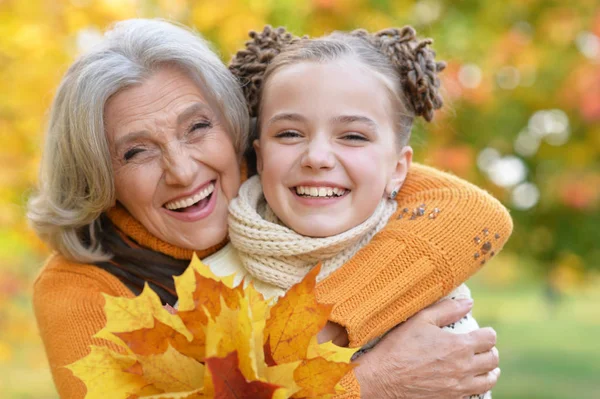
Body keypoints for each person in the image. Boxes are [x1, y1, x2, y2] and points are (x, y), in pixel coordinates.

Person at [28, 19, 507, 399]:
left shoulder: (288, 179)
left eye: (197, 127)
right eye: (136, 152)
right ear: (99, 176)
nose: (182, 170)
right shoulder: (80, 287)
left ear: (238, 129)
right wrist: (367, 384)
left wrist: (322, 325)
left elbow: (467, 210)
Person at [202, 25, 501, 398]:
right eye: (290, 134)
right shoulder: (209, 282)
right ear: (260, 156)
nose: (317, 158)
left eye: (353, 136)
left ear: (398, 169)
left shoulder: (427, 284)